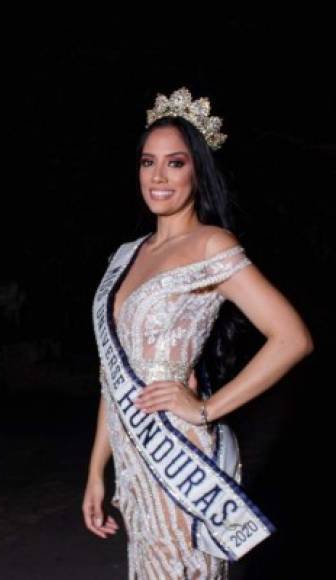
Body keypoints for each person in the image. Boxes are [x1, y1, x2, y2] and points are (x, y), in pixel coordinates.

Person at [82, 87, 314, 579]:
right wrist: (95, 470)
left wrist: (207, 408)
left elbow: (292, 337)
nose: (159, 177)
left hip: (178, 450)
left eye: (175, 163)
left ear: (197, 170)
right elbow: (112, 373)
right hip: (131, 459)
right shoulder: (126, 255)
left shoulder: (211, 244)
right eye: (148, 163)